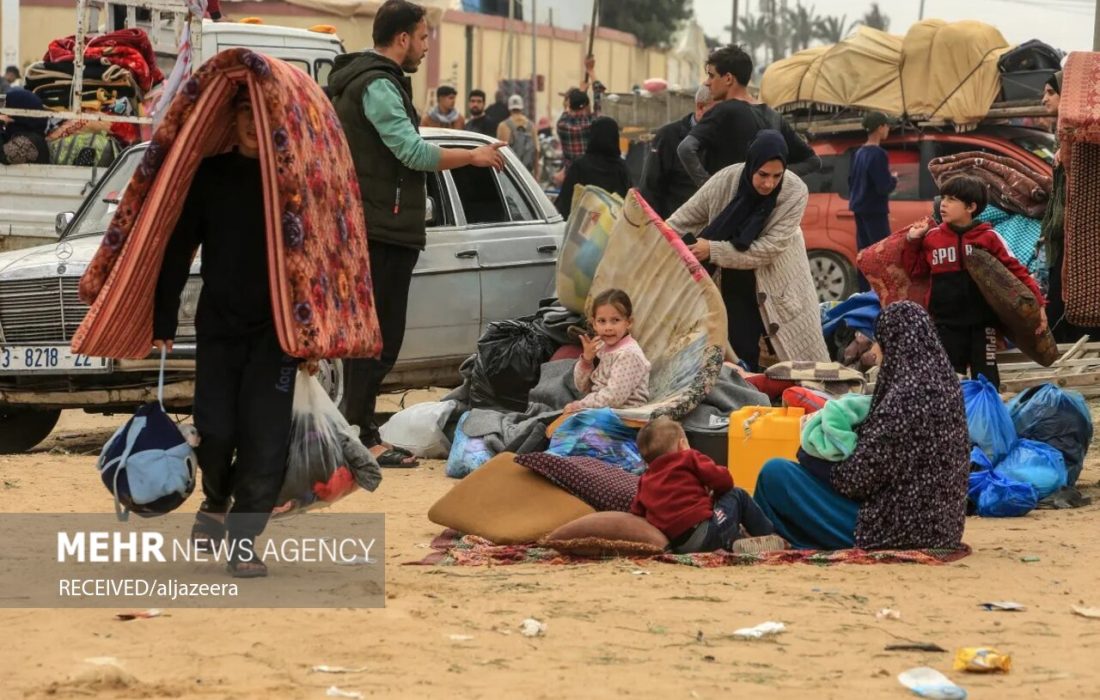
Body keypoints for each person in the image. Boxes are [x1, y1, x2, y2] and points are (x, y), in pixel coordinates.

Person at [329, 0, 505, 467]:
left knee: (372, 337)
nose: (427, 47)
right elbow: (410, 151)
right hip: (381, 228)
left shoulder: (367, 82)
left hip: (375, 224)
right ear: (403, 38)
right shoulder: (378, 85)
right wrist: (471, 157)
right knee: (378, 337)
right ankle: (364, 437)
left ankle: (359, 430)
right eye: (424, 38)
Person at [153, 90, 296, 578]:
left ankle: (243, 542)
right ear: (231, 120)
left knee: (265, 441)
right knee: (214, 432)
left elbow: (318, 257)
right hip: (218, 325)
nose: (254, 124)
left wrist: (315, 333)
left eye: (262, 115)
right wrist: (163, 318)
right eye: (245, 114)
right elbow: (178, 248)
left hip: (276, 332)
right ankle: (216, 496)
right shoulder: (210, 175)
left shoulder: (291, 179)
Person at [752, 301, 970, 551]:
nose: (877, 350)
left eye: (879, 341)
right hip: (943, 528)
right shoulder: (947, 387)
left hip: (897, 529)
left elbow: (855, 480)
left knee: (776, 473)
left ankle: (763, 533)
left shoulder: (906, 397)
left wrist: (809, 457)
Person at [668, 130, 829, 369]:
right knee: (740, 356)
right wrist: (653, 239)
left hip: (778, 283)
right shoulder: (726, 180)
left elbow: (768, 249)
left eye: (777, 176)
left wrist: (713, 250)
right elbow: (680, 221)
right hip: (733, 282)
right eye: (762, 174)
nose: (769, 183)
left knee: (800, 369)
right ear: (750, 165)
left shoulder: (794, 191)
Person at [904, 175, 1047, 387]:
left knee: (987, 378)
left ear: (971, 207)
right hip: (945, 324)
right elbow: (915, 272)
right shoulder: (932, 239)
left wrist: (1040, 306)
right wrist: (912, 241)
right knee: (951, 380)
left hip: (984, 324)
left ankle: (986, 417)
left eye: (952, 199)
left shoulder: (989, 237)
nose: (943, 204)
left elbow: (1018, 272)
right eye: (943, 198)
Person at [631, 417, 779, 553]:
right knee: (737, 494)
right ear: (682, 445)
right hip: (706, 532)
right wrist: (717, 492)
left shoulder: (645, 480)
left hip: (679, 545)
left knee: (717, 516)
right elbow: (724, 481)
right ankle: (769, 536)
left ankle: (735, 542)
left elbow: (637, 511)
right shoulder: (687, 457)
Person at [678, 45, 820, 186]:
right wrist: (773, 177)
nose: (707, 82)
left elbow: (685, 149)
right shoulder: (774, 117)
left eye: (711, 75)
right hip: (763, 206)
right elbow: (812, 161)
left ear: (728, 78)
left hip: (729, 206)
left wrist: (709, 187)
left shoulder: (723, 111)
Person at [1038, 72, 1100, 342]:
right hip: (1063, 236)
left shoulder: (1082, 145)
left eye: (1051, 92)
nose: (1044, 99)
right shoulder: (1062, 142)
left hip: (1081, 238)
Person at [563, 288, 650, 413]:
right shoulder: (601, 347)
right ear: (594, 324)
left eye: (615, 320)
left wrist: (580, 406)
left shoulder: (628, 354)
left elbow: (614, 398)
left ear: (629, 322)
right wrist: (586, 361)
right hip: (601, 409)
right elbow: (582, 387)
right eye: (602, 321)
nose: (608, 328)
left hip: (625, 416)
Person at [638, 85, 714, 220]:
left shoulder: (725, 138)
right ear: (700, 108)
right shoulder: (668, 137)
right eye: (719, 111)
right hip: (673, 229)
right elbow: (650, 189)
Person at [848, 111, 898, 291]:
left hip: (860, 207)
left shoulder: (859, 152)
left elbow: (851, 180)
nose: (888, 129)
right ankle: (883, 292)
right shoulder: (878, 154)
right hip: (875, 210)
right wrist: (893, 179)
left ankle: (864, 292)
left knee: (864, 253)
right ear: (880, 127)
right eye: (887, 126)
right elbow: (883, 186)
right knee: (881, 253)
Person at [554, 116, 631, 218]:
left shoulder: (580, 166)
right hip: (612, 229)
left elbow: (565, 203)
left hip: (582, 227)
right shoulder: (621, 168)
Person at [0, 88, 50, 165]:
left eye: (8, 106)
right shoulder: (25, 134)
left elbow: (3, 156)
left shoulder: (29, 142)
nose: (5, 111)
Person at [557, 87, 597, 173]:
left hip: (571, 173)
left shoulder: (562, 125)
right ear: (586, 107)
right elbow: (598, 105)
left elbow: (566, 111)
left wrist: (578, 95)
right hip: (591, 172)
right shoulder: (593, 124)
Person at [497, 94, 538, 175]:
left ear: (509, 108)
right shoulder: (531, 126)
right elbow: (537, 150)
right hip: (528, 174)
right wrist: (536, 176)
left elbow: (499, 151)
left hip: (510, 174)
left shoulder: (503, 125)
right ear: (522, 107)